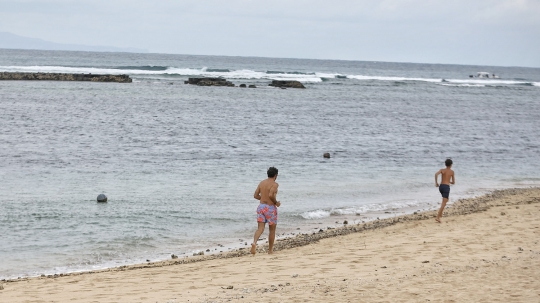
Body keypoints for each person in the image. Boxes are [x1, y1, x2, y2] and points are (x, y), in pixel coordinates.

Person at [251, 167, 281, 255]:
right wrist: (276, 202)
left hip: (261, 207)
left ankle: (254, 243)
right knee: (272, 230)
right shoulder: (274, 184)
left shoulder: (262, 183)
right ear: (275, 175)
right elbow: (271, 194)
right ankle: (270, 250)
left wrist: (263, 199)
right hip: (270, 208)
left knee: (260, 228)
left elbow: (256, 195)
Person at [435, 159, 455, 223]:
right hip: (446, 187)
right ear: (451, 165)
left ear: (445, 164)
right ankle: (438, 217)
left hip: (441, 187)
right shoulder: (452, 172)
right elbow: (453, 182)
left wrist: (436, 183)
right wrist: (449, 181)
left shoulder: (442, 170)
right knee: (444, 202)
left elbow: (436, 174)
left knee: (445, 200)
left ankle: (440, 214)